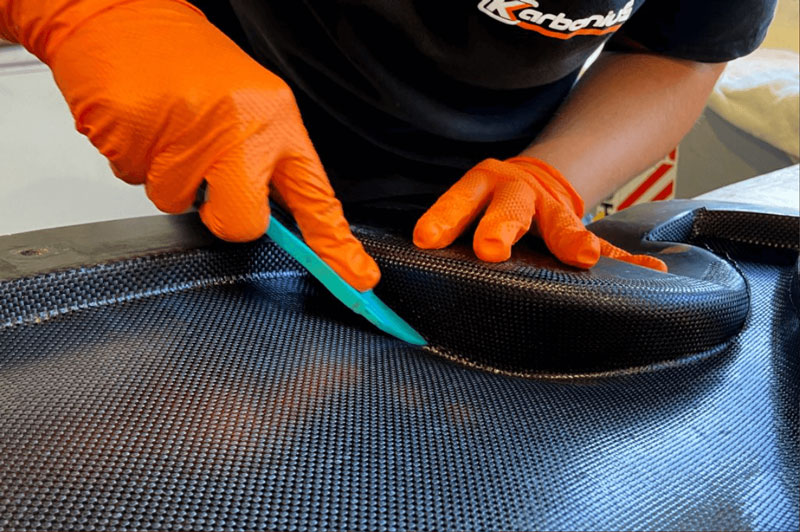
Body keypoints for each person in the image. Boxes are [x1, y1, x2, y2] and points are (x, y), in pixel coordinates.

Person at [0, 0, 776, 291]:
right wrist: (93, 11)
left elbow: (681, 48)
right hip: (234, 162)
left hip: (496, 218)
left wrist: (556, 174)